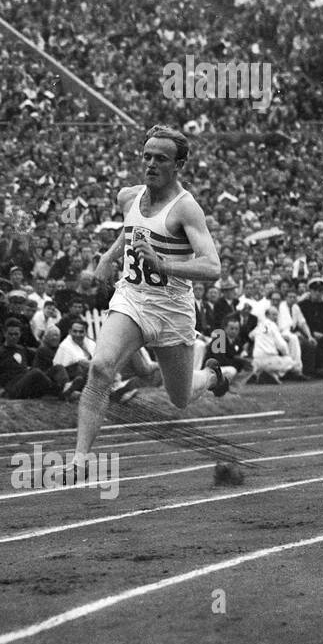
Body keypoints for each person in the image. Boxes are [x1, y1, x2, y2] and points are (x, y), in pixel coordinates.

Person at [67, 126, 227, 480]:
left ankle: (212, 375)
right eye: (147, 156)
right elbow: (130, 229)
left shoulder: (186, 209)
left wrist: (162, 264)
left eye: (161, 159)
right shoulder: (128, 196)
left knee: (180, 398)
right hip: (133, 297)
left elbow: (212, 267)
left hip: (171, 309)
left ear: (179, 164)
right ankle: (79, 459)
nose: (151, 164)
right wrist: (110, 257)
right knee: (100, 368)